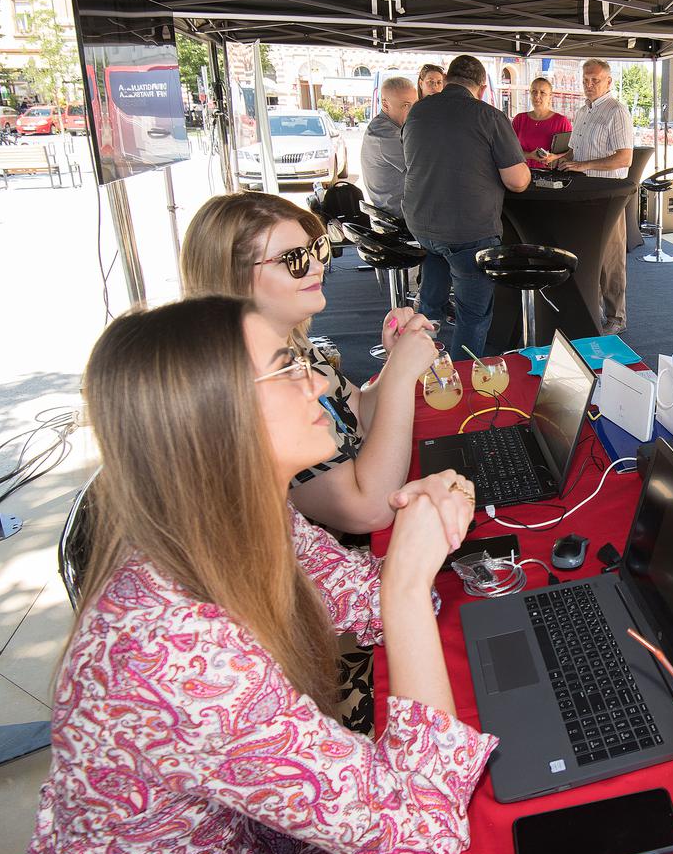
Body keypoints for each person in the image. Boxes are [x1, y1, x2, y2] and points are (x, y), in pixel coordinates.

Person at [23, 297, 494, 854]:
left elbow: (356, 598)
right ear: (217, 418)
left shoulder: (237, 517)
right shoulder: (176, 652)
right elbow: (425, 825)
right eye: (287, 368)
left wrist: (415, 552)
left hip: (244, 841)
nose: (319, 379)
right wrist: (403, 582)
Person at [181, 192, 437, 536]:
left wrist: (395, 362)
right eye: (293, 259)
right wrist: (402, 375)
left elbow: (356, 414)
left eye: (315, 250)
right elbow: (368, 512)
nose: (318, 266)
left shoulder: (290, 343)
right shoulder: (250, 386)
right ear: (232, 276)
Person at [403, 54, 531, 359]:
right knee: (472, 315)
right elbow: (517, 181)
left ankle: (418, 368)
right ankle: (461, 385)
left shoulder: (418, 111)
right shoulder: (489, 116)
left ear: (447, 80)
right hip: (468, 232)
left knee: (430, 305)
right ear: (482, 87)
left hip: (422, 226)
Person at [554, 58, 634, 334]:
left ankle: (616, 318)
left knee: (610, 260)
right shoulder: (581, 111)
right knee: (588, 256)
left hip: (607, 196)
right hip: (581, 193)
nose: (589, 85)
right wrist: (560, 159)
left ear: (608, 82)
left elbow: (624, 158)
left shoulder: (616, 111)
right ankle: (594, 311)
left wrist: (584, 165)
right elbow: (576, 151)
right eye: (586, 79)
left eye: (595, 80)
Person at [359, 75, 416, 215]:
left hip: (400, 207)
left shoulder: (390, 127)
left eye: (415, 105)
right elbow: (422, 167)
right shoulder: (384, 134)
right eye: (406, 105)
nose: (413, 112)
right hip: (399, 214)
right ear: (385, 104)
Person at [512, 75, 573, 169]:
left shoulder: (561, 121)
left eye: (543, 93)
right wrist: (530, 155)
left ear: (550, 97)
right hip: (522, 174)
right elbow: (510, 150)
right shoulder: (519, 119)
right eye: (534, 91)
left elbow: (571, 151)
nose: (537, 96)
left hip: (551, 175)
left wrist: (554, 157)